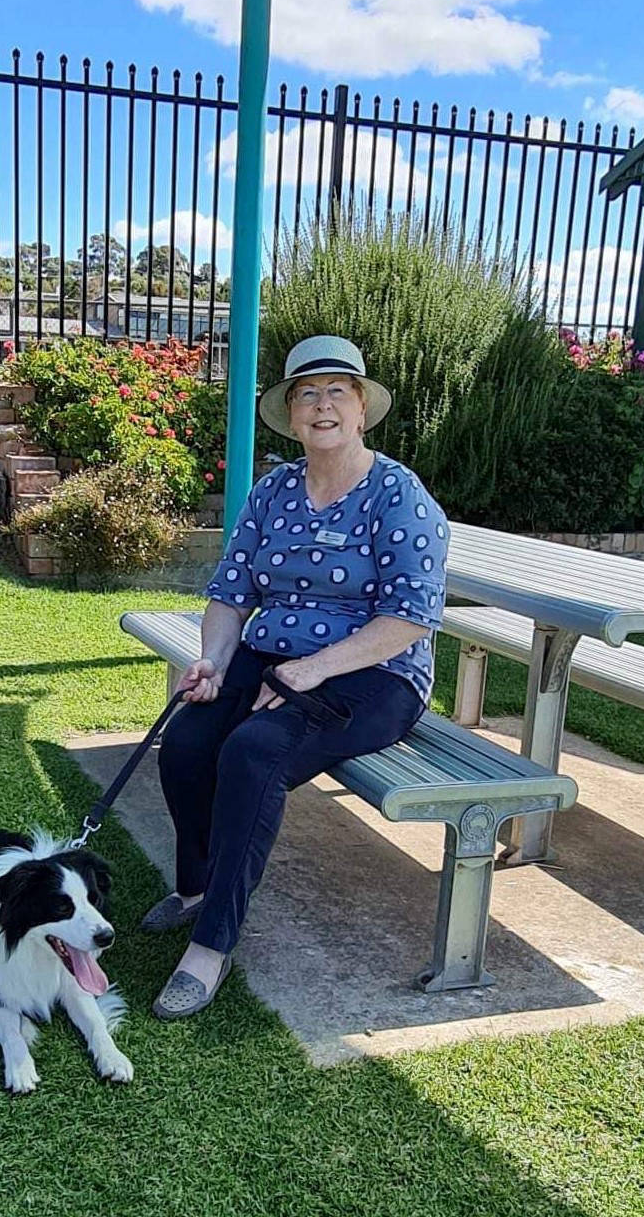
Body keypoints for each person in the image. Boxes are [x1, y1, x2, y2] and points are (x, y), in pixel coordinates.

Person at [143, 335, 450, 1020]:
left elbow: (411, 619)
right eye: (307, 393)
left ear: (362, 407)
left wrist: (307, 672)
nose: (322, 405)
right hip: (273, 655)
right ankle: (197, 886)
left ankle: (211, 944)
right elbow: (231, 590)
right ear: (290, 411)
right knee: (190, 740)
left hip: (374, 672)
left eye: (337, 391)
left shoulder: (398, 494)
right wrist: (214, 661)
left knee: (253, 752)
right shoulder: (274, 489)